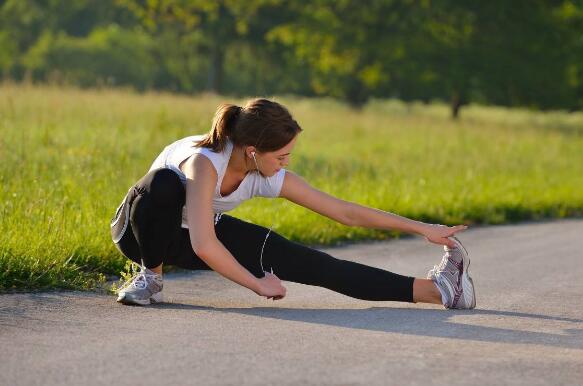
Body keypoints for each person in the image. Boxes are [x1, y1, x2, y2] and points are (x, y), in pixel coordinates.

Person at [110, 98, 475, 309]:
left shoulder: (263, 171)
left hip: (197, 234)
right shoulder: (205, 162)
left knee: (314, 264)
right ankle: (150, 278)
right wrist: (257, 284)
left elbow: (343, 212)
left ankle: (440, 290)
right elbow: (204, 244)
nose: (287, 162)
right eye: (282, 156)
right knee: (162, 186)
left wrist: (422, 228)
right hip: (140, 233)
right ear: (253, 151)